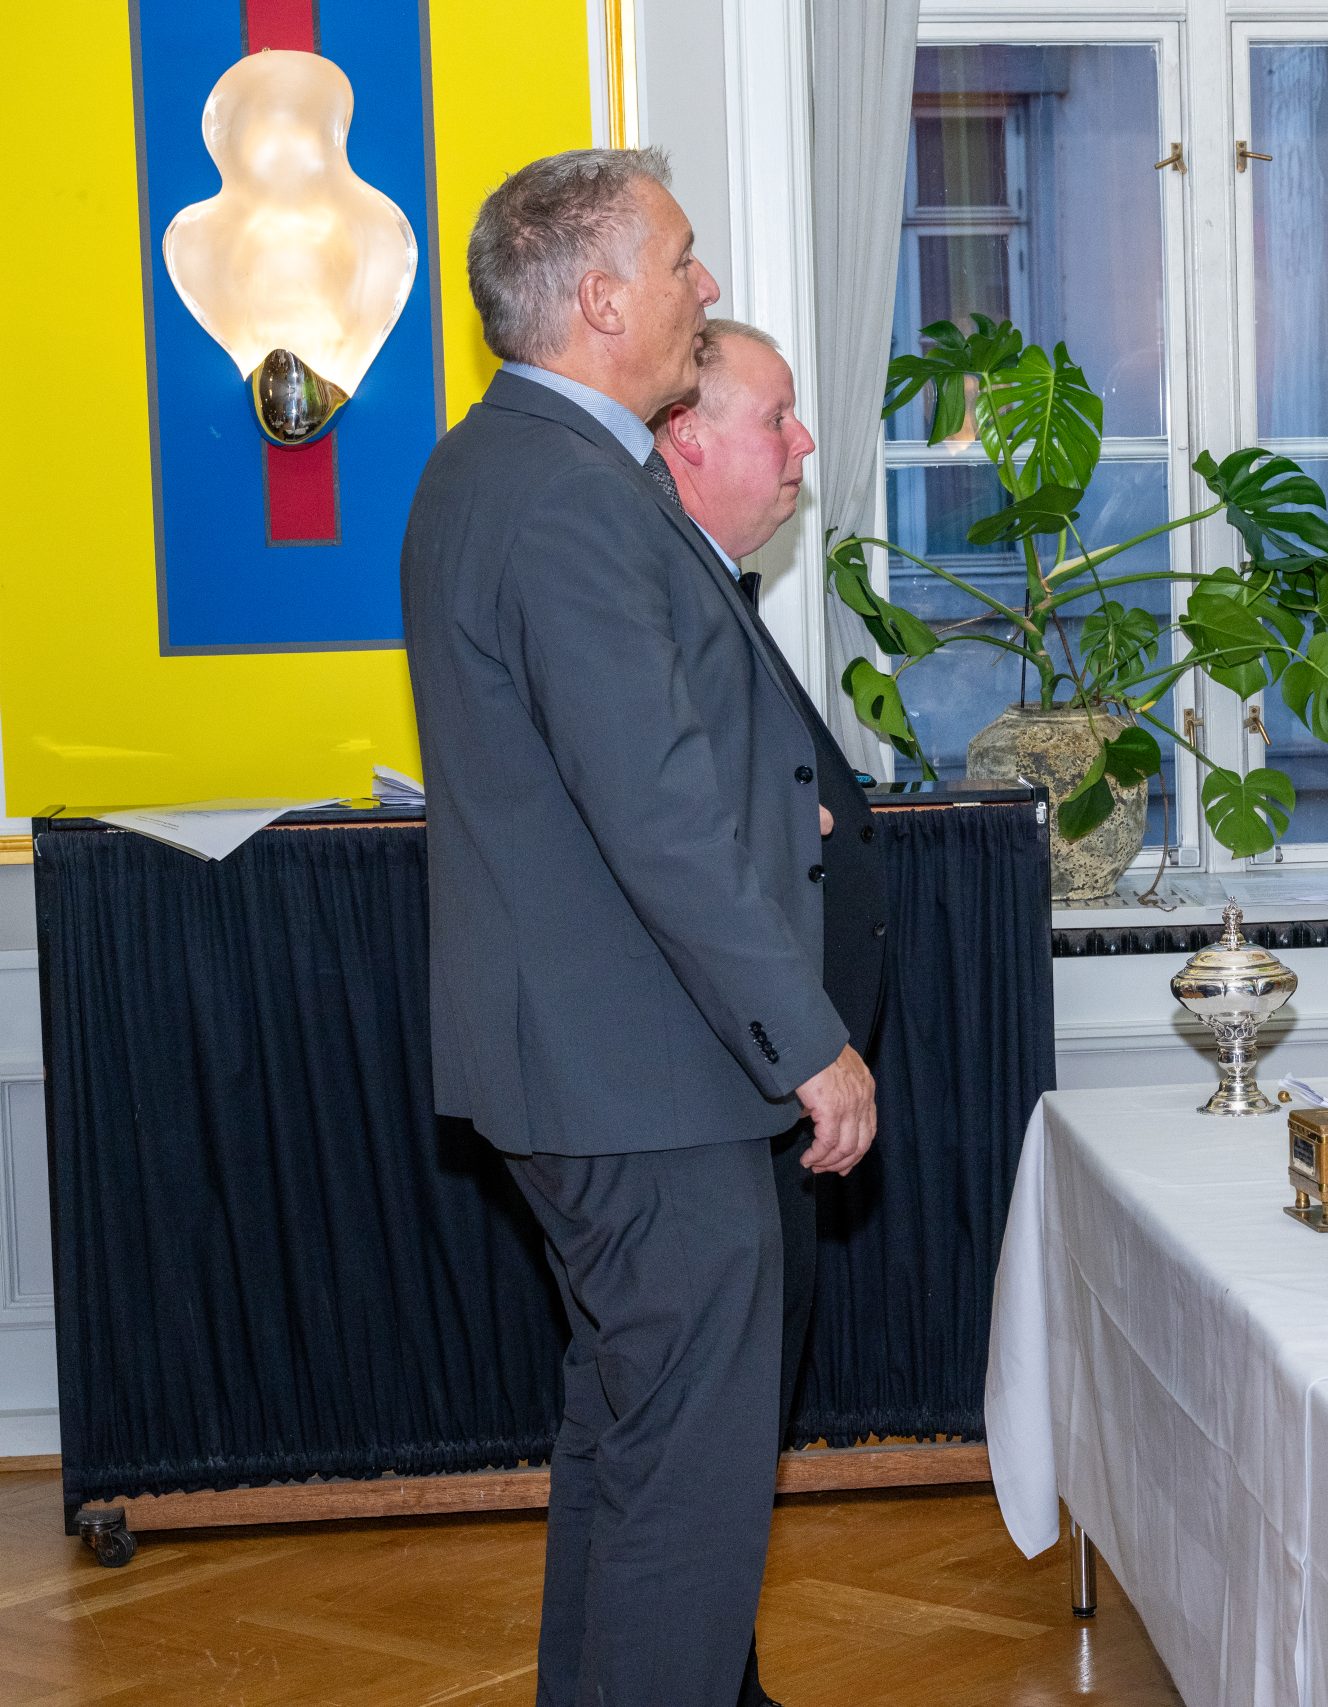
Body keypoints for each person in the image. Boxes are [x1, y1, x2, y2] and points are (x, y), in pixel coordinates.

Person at [401, 148, 875, 1707]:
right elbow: (653, 809)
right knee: (686, 1495)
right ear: (602, 299)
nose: (705, 284)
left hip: (595, 1069)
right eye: (681, 260)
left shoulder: (501, 464)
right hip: (643, 1079)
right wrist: (808, 1041)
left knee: (627, 1448)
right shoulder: (566, 493)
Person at [654, 320, 896, 1707]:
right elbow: (675, 842)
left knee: (734, 1433)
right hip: (729, 1092)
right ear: (687, 436)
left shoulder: (704, 585)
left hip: (764, 1099)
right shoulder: (660, 597)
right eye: (778, 419)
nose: (804, 444)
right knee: (701, 1442)